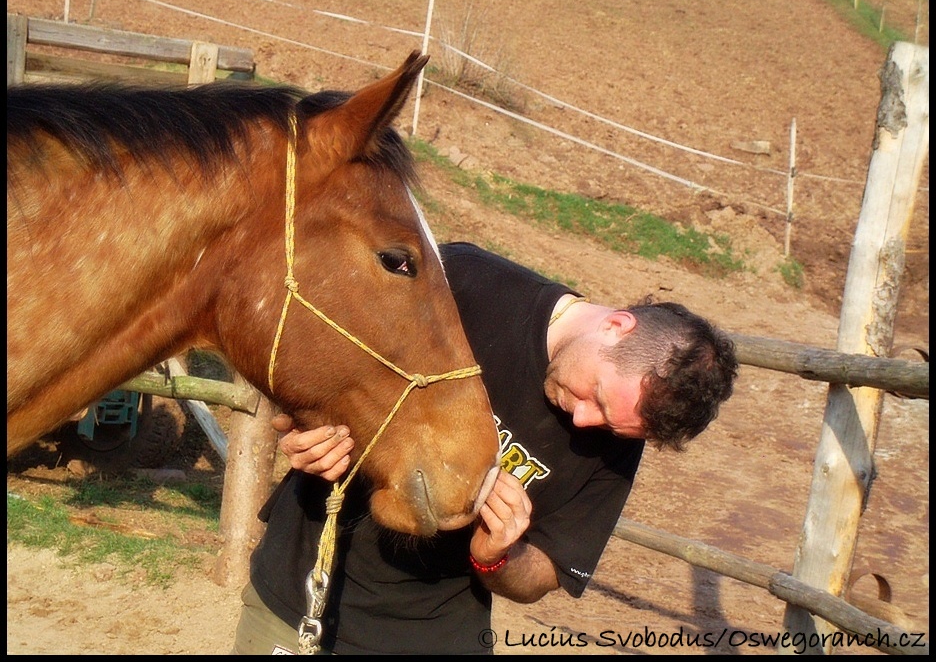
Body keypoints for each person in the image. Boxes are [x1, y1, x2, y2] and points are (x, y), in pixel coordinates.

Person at [232, 241, 738, 655]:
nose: (585, 420)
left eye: (610, 424)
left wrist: (499, 556)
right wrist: (299, 430)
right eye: (598, 398)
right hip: (297, 592)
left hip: (435, 636)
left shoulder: (616, 445)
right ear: (616, 325)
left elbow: (546, 571)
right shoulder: (464, 280)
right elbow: (315, 359)